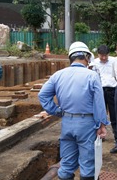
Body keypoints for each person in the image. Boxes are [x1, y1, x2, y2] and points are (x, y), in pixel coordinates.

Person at [38, 41, 109, 180]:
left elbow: (42, 95)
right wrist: (102, 124)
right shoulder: (92, 75)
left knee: (67, 163)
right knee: (87, 166)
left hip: (67, 123)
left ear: (70, 57)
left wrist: (58, 111)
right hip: (86, 124)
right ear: (87, 57)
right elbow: (99, 104)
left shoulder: (58, 75)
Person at [91, 45, 117, 142]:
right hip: (99, 90)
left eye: (106, 55)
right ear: (98, 55)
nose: (104, 58)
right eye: (102, 56)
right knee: (100, 113)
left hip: (112, 89)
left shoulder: (114, 61)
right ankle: (101, 135)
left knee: (114, 114)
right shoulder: (94, 63)